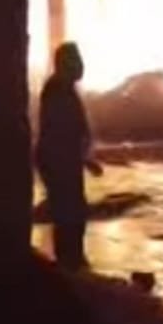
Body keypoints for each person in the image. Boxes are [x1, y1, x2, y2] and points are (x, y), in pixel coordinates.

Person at [36, 42, 102, 269]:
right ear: (66, 63)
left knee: (72, 213)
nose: (81, 66)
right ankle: (70, 265)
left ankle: (72, 262)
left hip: (63, 162)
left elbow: (70, 134)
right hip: (59, 164)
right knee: (69, 215)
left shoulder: (62, 89)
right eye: (76, 60)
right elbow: (60, 135)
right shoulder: (57, 91)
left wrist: (86, 160)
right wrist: (81, 160)